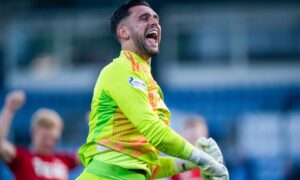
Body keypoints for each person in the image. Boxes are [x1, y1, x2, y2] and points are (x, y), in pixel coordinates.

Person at [77, 0, 229, 179]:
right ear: (123, 32)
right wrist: (204, 159)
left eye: (156, 18)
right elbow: (155, 132)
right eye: (143, 18)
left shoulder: (150, 84)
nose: (154, 22)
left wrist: (194, 163)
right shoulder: (119, 70)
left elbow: (147, 165)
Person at [0, 90, 80, 180]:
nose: (49, 143)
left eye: (54, 139)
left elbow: (91, 152)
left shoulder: (65, 160)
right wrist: (9, 109)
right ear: (33, 133)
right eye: (44, 138)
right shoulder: (22, 157)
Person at [171, 116, 209, 180]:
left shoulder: (212, 160)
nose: (193, 140)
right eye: (191, 136)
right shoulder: (175, 160)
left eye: (195, 136)